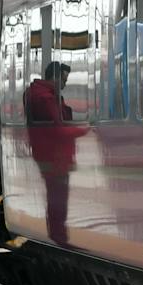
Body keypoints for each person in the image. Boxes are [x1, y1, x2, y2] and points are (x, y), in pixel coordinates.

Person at [23, 62, 87, 245]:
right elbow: (57, 130)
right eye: (64, 80)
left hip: (46, 154)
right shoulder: (45, 98)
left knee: (55, 195)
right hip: (54, 155)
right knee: (58, 196)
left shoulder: (39, 94)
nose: (65, 84)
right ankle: (58, 235)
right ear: (56, 77)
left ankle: (57, 233)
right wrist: (83, 130)